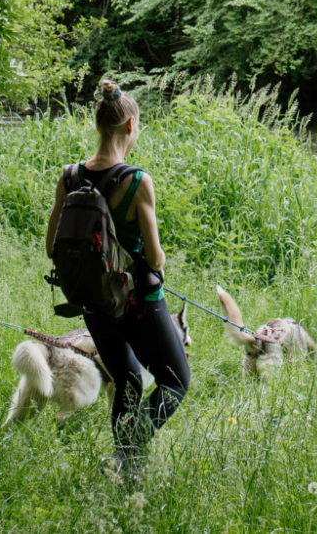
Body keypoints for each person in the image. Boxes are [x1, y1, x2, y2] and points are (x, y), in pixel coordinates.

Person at [43, 79, 190, 478]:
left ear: (97, 125)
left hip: (92, 300)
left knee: (126, 378)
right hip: (138, 303)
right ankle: (128, 455)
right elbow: (156, 256)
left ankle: (126, 467)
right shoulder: (138, 181)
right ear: (129, 128)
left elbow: (50, 246)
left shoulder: (69, 176)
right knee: (175, 382)